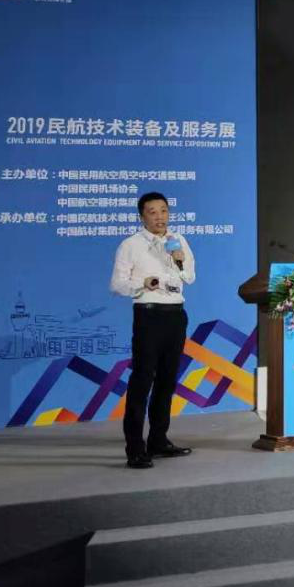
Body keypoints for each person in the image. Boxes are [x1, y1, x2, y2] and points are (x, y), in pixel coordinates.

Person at [110, 192, 196, 468]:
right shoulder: (130, 245)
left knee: (167, 381)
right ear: (142, 217)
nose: (160, 217)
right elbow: (117, 284)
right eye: (153, 212)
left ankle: (158, 440)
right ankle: (135, 448)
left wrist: (179, 259)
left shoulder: (178, 240)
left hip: (176, 315)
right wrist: (142, 283)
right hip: (148, 315)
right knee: (142, 380)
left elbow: (190, 277)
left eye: (164, 210)